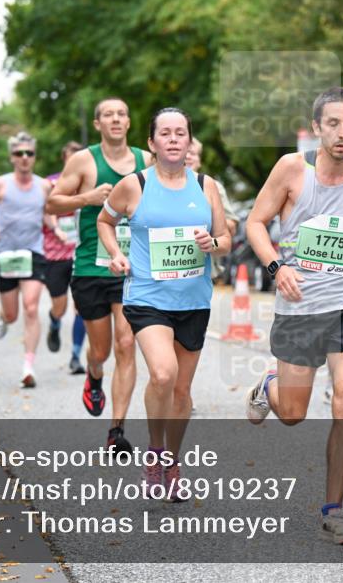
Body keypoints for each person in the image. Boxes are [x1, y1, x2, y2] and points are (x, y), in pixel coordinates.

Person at [244, 87, 343, 545]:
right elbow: (254, 222)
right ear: (317, 128)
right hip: (300, 306)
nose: (342, 132)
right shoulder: (292, 170)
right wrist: (277, 267)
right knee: (292, 413)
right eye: (333, 123)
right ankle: (268, 386)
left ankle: (334, 512)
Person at [99, 107, 231, 500]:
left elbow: (224, 239)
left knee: (181, 390)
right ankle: (154, 453)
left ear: (189, 141)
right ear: (152, 143)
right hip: (146, 297)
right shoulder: (133, 184)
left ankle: (172, 461)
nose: (174, 139)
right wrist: (116, 254)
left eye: (181, 133)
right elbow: (105, 221)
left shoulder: (206, 186)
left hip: (193, 299)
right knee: (162, 373)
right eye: (166, 133)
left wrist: (213, 244)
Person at [47, 97, 151, 454]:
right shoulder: (83, 160)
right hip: (91, 267)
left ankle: (116, 431)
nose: (116, 119)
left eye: (122, 113)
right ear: (98, 124)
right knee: (102, 351)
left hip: (132, 268)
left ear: (129, 121)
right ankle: (93, 375)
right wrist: (87, 198)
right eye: (109, 115)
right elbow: (51, 203)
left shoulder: (145, 161)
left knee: (126, 345)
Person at [0, 132, 53, 388]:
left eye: (29, 153)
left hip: (33, 251)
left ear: (34, 157)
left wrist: (56, 228)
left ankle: (28, 366)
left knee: (31, 307)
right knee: (12, 314)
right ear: (12, 157)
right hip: (5, 253)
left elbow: (46, 213)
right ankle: (2, 316)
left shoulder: (44, 186)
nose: (24, 158)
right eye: (19, 153)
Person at [42, 141, 87, 373]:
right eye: (71, 157)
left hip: (81, 253)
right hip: (55, 254)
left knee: (82, 307)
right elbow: (46, 210)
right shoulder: (52, 182)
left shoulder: (89, 182)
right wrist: (56, 228)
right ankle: (54, 322)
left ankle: (76, 356)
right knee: (59, 306)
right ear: (64, 158)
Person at [185, 138, 238, 282]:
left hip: (203, 266)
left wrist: (207, 226)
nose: (188, 157)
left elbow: (232, 225)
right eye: (185, 152)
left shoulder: (213, 186)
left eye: (193, 154)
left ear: (199, 161)